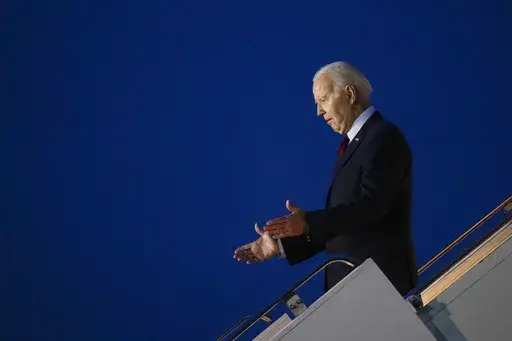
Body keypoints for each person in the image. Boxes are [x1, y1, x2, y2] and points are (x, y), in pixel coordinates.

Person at [233, 61, 418, 296]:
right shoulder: (355, 145)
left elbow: (371, 207)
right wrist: (280, 244)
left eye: (323, 100)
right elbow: (342, 224)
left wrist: (308, 222)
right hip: (357, 288)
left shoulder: (381, 137)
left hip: (382, 284)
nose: (319, 112)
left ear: (349, 94)